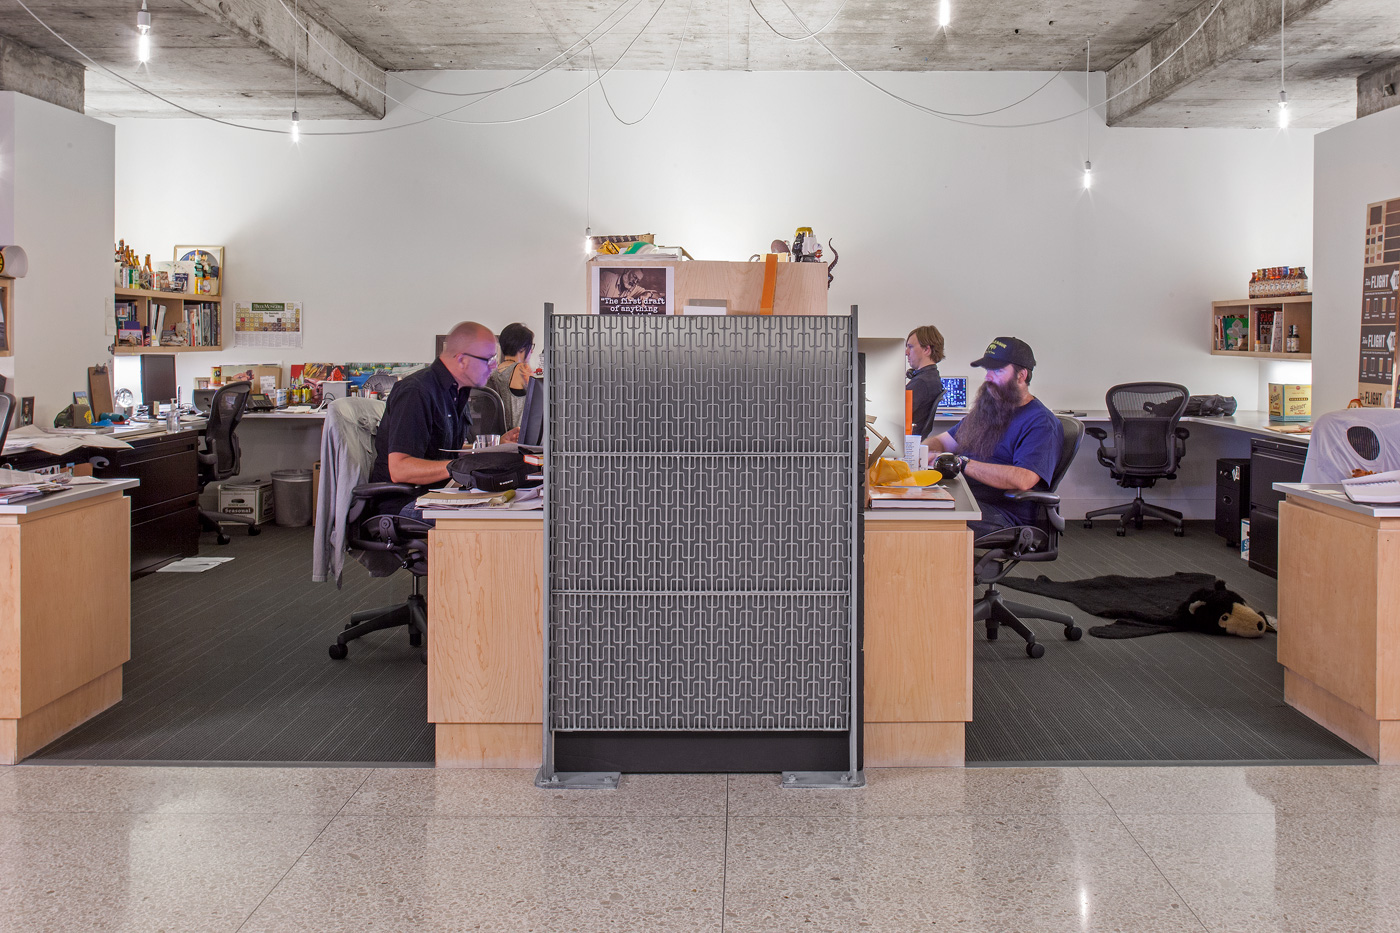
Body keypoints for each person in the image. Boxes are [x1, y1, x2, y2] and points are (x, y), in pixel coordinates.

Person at [368, 320, 517, 518]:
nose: (494, 367)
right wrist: (458, 467)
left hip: (436, 493)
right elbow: (399, 469)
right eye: (489, 359)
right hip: (405, 502)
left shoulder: (456, 392)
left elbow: (439, 450)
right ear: (462, 360)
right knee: (494, 520)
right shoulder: (417, 391)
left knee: (508, 507)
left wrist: (495, 448)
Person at [927, 337, 1062, 536]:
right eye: (987, 371)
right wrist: (925, 451)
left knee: (924, 518)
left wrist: (962, 463)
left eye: (997, 371)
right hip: (971, 498)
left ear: (1021, 376)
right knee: (911, 505)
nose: (989, 377)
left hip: (1004, 515)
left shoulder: (1040, 422)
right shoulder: (988, 412)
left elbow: (1023, 479)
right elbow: (943, 440)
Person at [486, 323, 535, 431]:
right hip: (518, 437)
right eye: (531, 347)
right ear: (522, 348)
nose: (531, 351)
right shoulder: (522, 369)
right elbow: (543, 402)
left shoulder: (492, 372)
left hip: (499, 439)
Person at [905, 325, 946, 441]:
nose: (906, 352)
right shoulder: (932, 377)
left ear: (926, 349)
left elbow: (895, 416)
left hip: (906, 444)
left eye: (910, 347)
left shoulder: (921, 383)